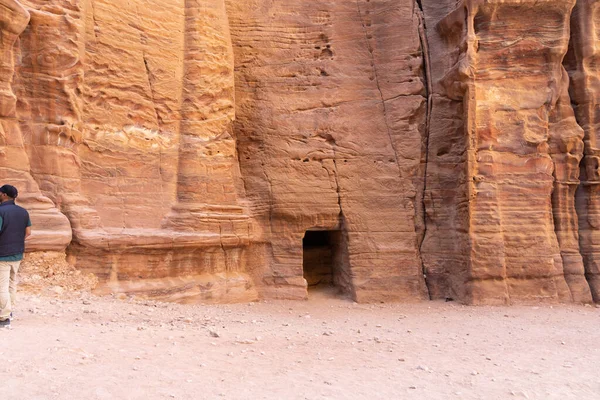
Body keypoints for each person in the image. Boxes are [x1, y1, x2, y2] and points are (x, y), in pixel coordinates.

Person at [0, 185, 31, 328]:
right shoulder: (23, 212)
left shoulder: (1, 211)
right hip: (17, 254)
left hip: (2, 255)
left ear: (4, 195)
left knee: (2, 286)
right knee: (12, 284)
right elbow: (28, 233)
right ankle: (9, 311)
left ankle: (3, 317)